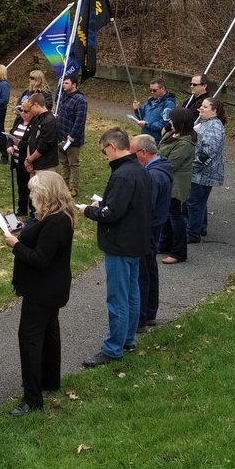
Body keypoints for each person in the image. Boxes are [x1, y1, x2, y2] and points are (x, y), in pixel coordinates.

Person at [2, 171, 75, 415]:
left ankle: (32, 398)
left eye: (34, 191)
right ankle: (50, 380)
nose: (30, 195)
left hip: (43, 289)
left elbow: (40, 258)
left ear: (45, 194)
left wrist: (16, 245)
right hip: (52, 286)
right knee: (50, 331)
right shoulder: (54, 216)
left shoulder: (56, 222)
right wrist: (24, 230)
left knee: (29, 338)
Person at [81, 127, 151, 367]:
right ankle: (128, 338)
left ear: (112, 147)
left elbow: (112, 213)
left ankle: (113, 348)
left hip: (121, 244)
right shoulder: (139, 170)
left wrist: (88, 210)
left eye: (104, 152)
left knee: (117, 298)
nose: (104, 157)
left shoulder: (122, 175)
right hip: (136, 241)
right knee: (132, 293)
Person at [132, 134, 173, 333]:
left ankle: (140, 318)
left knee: (142, 273)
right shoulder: (161, 168)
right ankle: (149, 312)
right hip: (154, 227)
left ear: (143, 153)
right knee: (150, 269)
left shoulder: (153, 176)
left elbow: (146, 206)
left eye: (133, 153)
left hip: (148, 229)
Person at [158, 108, 196, 265]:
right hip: (167, 180)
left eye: (172, 119)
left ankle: (179, 252)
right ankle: (165, 243)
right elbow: (160, 149)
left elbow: (171, 163)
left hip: (176, 184)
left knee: (175, 215)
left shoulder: (185, 143)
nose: (169, 121)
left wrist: (159, 160)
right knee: (166, 214)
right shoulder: (172, 135)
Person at [187, 97, 226, 244]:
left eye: (205, 107)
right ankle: (200, 227)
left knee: (194, 202)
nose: (201, 109)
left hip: (203, 172)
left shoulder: (214, 126)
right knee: (200, 201)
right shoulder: (205, 123)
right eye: (201, 106)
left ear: (214, 110)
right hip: (202, 171)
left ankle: (192, 233)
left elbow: (209, 151)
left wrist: (194, 166)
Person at [12, 92, 58, 217]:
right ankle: (34, 215)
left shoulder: (49, 121)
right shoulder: (37, 119)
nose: (29, 111)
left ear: (37, 105)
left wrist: (30, 159)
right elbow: (30, 140)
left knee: (44, 194)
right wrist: (28, 159)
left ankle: (44, 217)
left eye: (30, 107)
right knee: (34, 193)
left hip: (45, 164)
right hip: (33, 163)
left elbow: (44, 146)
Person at [56, 74, 88, 197]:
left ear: (74, 84)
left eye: (66, 83)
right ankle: (64, 184)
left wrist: (72, 135)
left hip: (72, 139)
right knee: (63, 162)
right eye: (63, 83)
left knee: (73, 164)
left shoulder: (80, 100)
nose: (64, 85)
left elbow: (80, 120)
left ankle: (73, 188)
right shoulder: (63, 97)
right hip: (61, 136)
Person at [132, 78, 176, 143]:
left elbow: (164, 123)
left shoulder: (169, 104)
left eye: (154, 90)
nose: (152, 92)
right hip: (145, 136)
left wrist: (147, 125)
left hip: (156, 140)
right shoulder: (150, 101)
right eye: (150, 90)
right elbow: (142, 118)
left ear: (163, 89)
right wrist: (137, 109)